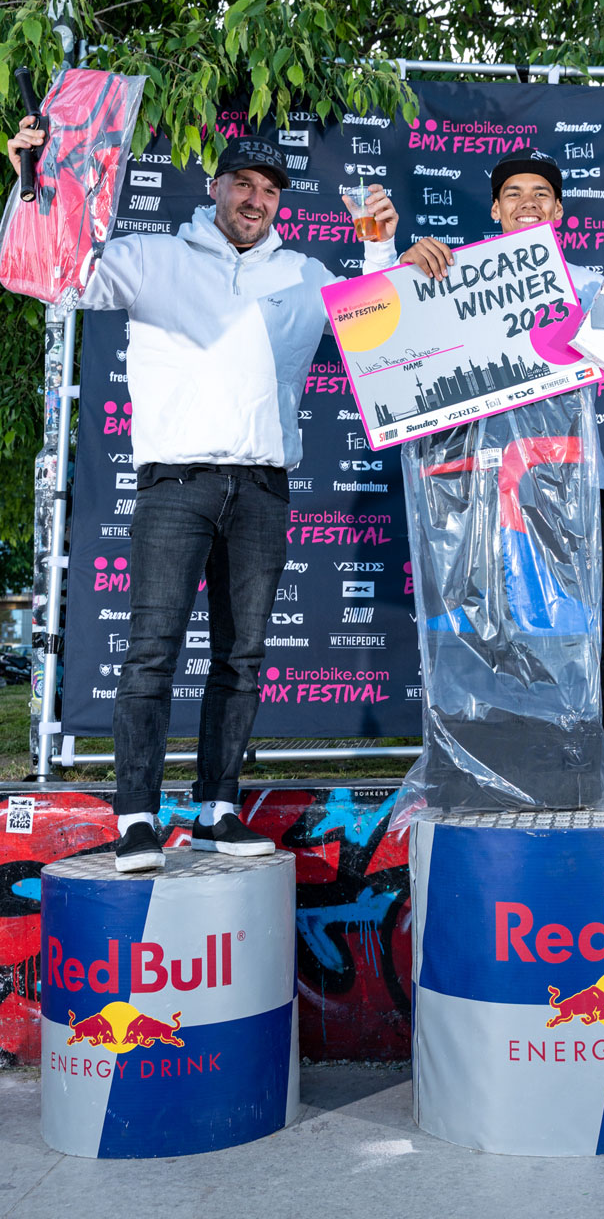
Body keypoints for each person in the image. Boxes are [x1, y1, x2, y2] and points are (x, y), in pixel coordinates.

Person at [7, 123, 399, 871]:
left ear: (281, 204)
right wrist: (35, 184)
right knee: (151, 654)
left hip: (262, 487)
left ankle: (219, 809)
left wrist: (378, 247)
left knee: (242, 659)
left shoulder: (307, 275)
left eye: (270, 190)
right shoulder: (155, 257)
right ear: (214, 187)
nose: (256, 199)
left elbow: (378, 340)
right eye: (244, 184)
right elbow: (55, 275)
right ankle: (135, 819)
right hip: (174, 485)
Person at [400, 149, 604, 805]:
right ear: (495, 209)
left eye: (541, 193)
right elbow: (394, 352)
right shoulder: (451, 277)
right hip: (476, 494)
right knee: (480, 629)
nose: (528, 201)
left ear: (558, 210)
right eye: (514, 192)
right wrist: (397, 272)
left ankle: (602, 762)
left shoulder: (587, 287)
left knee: (588, 630)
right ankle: (470, 766)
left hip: (574, 491)